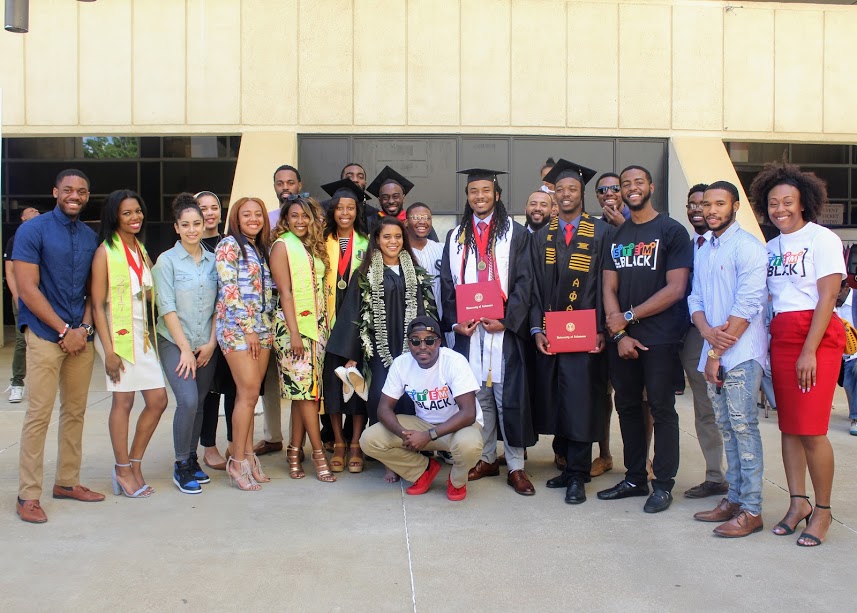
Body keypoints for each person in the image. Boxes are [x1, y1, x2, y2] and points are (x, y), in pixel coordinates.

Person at [749, 162, 845, 547]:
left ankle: (822, 510)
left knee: (812, 429)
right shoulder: (770, 248)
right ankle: (797, 502)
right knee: (789, 427)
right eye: (773, 203)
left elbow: (827, 297)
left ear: (803, 202)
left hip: (816, 336)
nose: (780, 209)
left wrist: (809, 351)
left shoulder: (822, 239)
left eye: (787, 201)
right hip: (782, 335)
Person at [599, 165, 693, 513]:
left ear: (651, 186)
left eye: (638, 182)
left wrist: (628, 317)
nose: (632, 188)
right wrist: (620, 332)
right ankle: (635, 477)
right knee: (627, 408)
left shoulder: (671, 231)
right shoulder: (618, 235)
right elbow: (609, 287)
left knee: (661, 408)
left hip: (661, 338)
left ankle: (663, 484)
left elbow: (676, 288)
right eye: (626, 184)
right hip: (622, 340)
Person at [13, 169, 104, 523]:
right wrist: (64, 329)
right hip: (44, 334)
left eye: (82, 191)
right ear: (55, 192)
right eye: (68, 190)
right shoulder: (32, 231)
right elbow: (27, 288)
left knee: (75, 411)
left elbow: (91, 289)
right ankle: (28, 494)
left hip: (78, 337)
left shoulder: (89, 236)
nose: (75, 195)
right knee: (39, 414)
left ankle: (67, 481)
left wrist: (81, 327)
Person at [440, 168, 537, 496]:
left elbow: (525, 282)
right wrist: (455, 323)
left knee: (507, 396)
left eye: (485, 190)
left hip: (503, 332)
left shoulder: (517, 233)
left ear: (496, 194)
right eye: (473, 191)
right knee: (479, 395)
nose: (479, 196)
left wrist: (509, 320)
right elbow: (447, 287)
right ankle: (486, 457)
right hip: (472, 334)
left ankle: (516, 465)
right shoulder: (455, 238)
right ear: (467, 196)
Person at [327, 216, 436, 482]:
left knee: (411, 400)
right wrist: (352, 352)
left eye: (398, 237)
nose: (393, 242)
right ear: (377, 240)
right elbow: (353, 313)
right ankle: (389, 458)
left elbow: (425, 309)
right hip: (378, 350)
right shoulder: (365, 273)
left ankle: (411, 453)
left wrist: (427, 345)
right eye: (387, 237)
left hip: (410, 349)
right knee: (380, 398)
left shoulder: (415, 272)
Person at [688, 181, 768, 537]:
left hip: (740, 356)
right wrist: (706, 332)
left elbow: (748, 305)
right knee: (726, 430)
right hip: (713, 353)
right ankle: (733, 499)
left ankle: (752, 509)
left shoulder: (748, 247)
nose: (711, 210)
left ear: (735, 206)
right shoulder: (705, 248)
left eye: (719, 204)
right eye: (707, 204)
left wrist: (718, 350)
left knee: (744, 429)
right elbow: (696, 298)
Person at [530, 160, 609, 504]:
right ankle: (566, 465)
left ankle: (578, 473)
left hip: (585, 334)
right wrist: (536, 329)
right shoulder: (541, 237)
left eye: (571, 189)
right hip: (551, 334)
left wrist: (604, 329)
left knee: (580, 402)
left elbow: (609, 285)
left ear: (582, 194)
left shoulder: (601, 232)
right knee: (559, 400)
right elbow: (532, 287)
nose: (565, 195)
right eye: (559, 189)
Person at [91, 190, 168, 499]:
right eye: (127, 213)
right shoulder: (104, 253)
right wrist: (108, 351)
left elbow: (150, 292)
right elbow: (97, 306)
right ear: (115, 217)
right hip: (116, 335)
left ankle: (134, 463)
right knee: (123, 402)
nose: (135, 217)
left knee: (158, 400)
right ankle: (123, 469)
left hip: (142, 333)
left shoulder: (139, 248)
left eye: (138, 211)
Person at [360, 316, 483, 501]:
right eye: (416, 341)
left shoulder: (454, 362)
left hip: (458, 426)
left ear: (439, 342)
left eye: (429, 340)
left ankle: (457, 480)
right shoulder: (402, 364)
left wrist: (428, 435)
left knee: (470, 445)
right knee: (369, 440)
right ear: (409, 343)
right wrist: (403, 433)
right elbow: (384, 409)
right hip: (423, 424)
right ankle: (423, 471)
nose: (422, 346)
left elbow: (468, 413)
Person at [153, 194, 219, 494]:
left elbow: (222, 304)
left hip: (206, 343)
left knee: (201, 402)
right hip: (175, 342)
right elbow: (166, 308)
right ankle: (181, 464)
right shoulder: (166, 261)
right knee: (188, 400)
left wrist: (211, 343)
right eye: (186, 225)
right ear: (176, 227)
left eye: (197, 223)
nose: (192, 229)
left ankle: (193, 459)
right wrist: (184, 349)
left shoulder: (213, 260)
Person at [270, 195, 336, 482]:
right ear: (286, 218)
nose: (300, 220)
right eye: (294, 215)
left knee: (305, 393)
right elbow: (285, 293)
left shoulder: (311, 246)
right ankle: (319, 453)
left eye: (305, 216)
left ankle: (294, 451)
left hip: (317, 328)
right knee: (308, 393)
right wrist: (295, 334)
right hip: (292, 330)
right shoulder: (282, 246)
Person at [215, 197, 275, 491]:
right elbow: (229, 291)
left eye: (258, 214)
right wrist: (249, 328)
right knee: (248, 393)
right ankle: (237, 461)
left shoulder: (259, 248)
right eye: (246, 214)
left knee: (250, 396)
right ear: (235, 219)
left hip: (263, 329)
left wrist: (267, 327)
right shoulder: (229, 245)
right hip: (238, 330)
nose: (253, 219)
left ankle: (249, 456)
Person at [680, 184, 728, 500]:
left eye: (705, 203)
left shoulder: (726, 245)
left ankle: (718, 475)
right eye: (693, 203)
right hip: (679, 334)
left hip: (712, 333)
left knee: (710, 405)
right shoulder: (683, 243)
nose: (699, 209)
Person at [319, 178, 370, 469]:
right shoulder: (321, 242)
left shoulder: (367, 243)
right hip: (328, 324)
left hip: (355, 325)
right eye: (339, 208)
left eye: (350, 207)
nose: (345, 213)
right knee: (332, 386)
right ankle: (338, 442)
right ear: (333, 211)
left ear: (357, 211)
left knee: (358, 387)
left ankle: (355, 444)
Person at [255, 166, 305, 457]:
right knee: (270, 375)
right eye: (279, 183)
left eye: (290, 182)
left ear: (300, 184)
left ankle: (298, 440)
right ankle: (273, 435)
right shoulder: (267, 220)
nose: (285, 187)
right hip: (270, 301)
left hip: (302, 304)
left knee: (299, 372)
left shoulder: (309, 219)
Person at [195, 190, 234, 470]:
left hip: (231, 329)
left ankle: (235, 442)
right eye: (202, 208)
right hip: (203, 331)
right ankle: (208, 446)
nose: (209, 213)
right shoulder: (191, 247)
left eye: (213, 207)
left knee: (234, 388)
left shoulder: (229, 244)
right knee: (208, 391)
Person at [4, 206, 40, 403]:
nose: (36, 213)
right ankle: (17, 383)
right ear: (22, 217)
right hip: (22, 297)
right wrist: (17, 296)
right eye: (31, 211)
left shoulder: (44, 237)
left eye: (38, 212)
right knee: (21, 341)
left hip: (43, 297)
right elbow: (9, 271)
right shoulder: (15, 240)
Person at [405, 202, 444, 318]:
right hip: (413, 324)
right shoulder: (399, 253)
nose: (422, 222)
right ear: (406, 222)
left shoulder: (443, 249)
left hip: (444, 321)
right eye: (417, 218)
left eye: (427, 218)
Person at [834, 281, 857, 436]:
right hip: (839, 354)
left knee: (854, 373)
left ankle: (855, 418)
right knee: (848, 382)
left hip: (855, 354)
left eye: (836, 292)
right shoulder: (830, 303)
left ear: (846, 288)